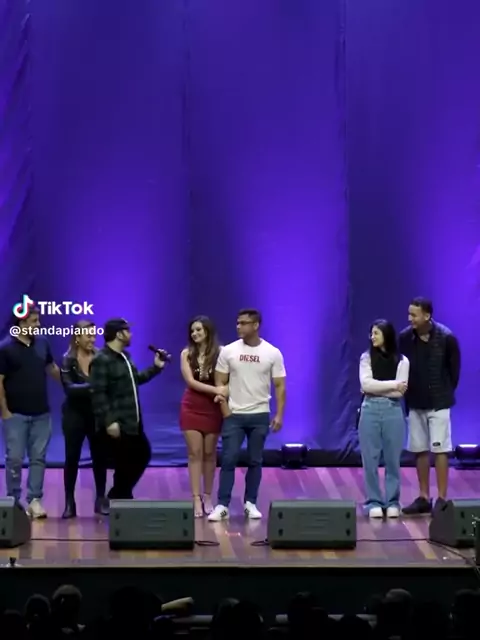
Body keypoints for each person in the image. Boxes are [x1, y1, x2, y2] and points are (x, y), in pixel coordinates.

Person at [208, 309, 286, 521]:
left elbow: (280, 385)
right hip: (234, 416)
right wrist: (225, 410)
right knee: (228, 459)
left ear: (256, 325)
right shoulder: (229, 351)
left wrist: (279, 414)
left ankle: (250, 503)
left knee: (255, 460)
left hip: (260, 415)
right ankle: (222, 505)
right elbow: (220, 382)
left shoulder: (272, 353)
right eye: (237, 323)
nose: (238, 326)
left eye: (243, 323)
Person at [89, 318, 168, 501]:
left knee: (140, 455)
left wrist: (155, 368)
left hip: (132, 420)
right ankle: (120, 497)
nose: (130, 334)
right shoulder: (101, 360)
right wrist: (109, 421)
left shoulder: (125, 356)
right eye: (127, 331)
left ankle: (119, 495)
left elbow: (135, 380)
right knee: (127, 460)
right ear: (119, 334)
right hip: (117, 422)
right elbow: (98, 393)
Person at [399, 297, 460, 515]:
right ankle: (424, 496)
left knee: (441, 449)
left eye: (414, 315)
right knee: (419, 449)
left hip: (439, 402)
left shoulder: (446, 337)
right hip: (415, 402)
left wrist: (443, 392)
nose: (410, 319)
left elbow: (454, 371)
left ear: (427, 315)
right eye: (409, 314)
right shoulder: (405, 338)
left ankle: (441, 499)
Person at [0, 306, 60, 518]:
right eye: (34, 321)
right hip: (15, 415)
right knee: (14, 459)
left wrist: (71, 384)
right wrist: (4, 411)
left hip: (41, 414)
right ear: (21, 323)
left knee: (38, 459)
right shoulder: (5, 348)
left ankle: (34, 500)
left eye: (38, 320)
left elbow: (52, 368)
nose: (38, 325)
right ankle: (13, 501)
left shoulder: (43, 344)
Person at [358, 319, 409, 518]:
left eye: (376, 333)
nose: (372, 337)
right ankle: (373, 501)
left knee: (392, 458)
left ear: (386, 335)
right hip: (369, 409)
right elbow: (366, 385)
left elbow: (399, 393)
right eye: (371, 333)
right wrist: (393, 384)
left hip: (393, 410)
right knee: (370, 458)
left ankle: (392, 501)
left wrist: (384, 387)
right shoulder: (366, 358)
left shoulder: (402, 360)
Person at [179, 316, 228, 517]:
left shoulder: (222, 352)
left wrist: (223, 391)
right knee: (195, 452)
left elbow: (229, 380)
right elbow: (191, 382)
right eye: (192, 331)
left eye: (198, 330)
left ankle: (208, 496)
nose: (195, 334)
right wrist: (217, 390)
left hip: (213, 408)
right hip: (191, 406)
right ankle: (195, 498)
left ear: (207, 331)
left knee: (209, 453)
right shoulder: (186, 354)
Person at [60, 319, 108, 518]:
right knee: (72, 458)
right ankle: (69, 503)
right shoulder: (68, 359)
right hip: (74, 415)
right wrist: (93, 388)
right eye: (88, 335)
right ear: (77, 338)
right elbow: (69, 389)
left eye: (94, 335)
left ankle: (100, 499)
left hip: (96, 415)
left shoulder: (101, 357)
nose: (93, 339)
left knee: (100, 458)